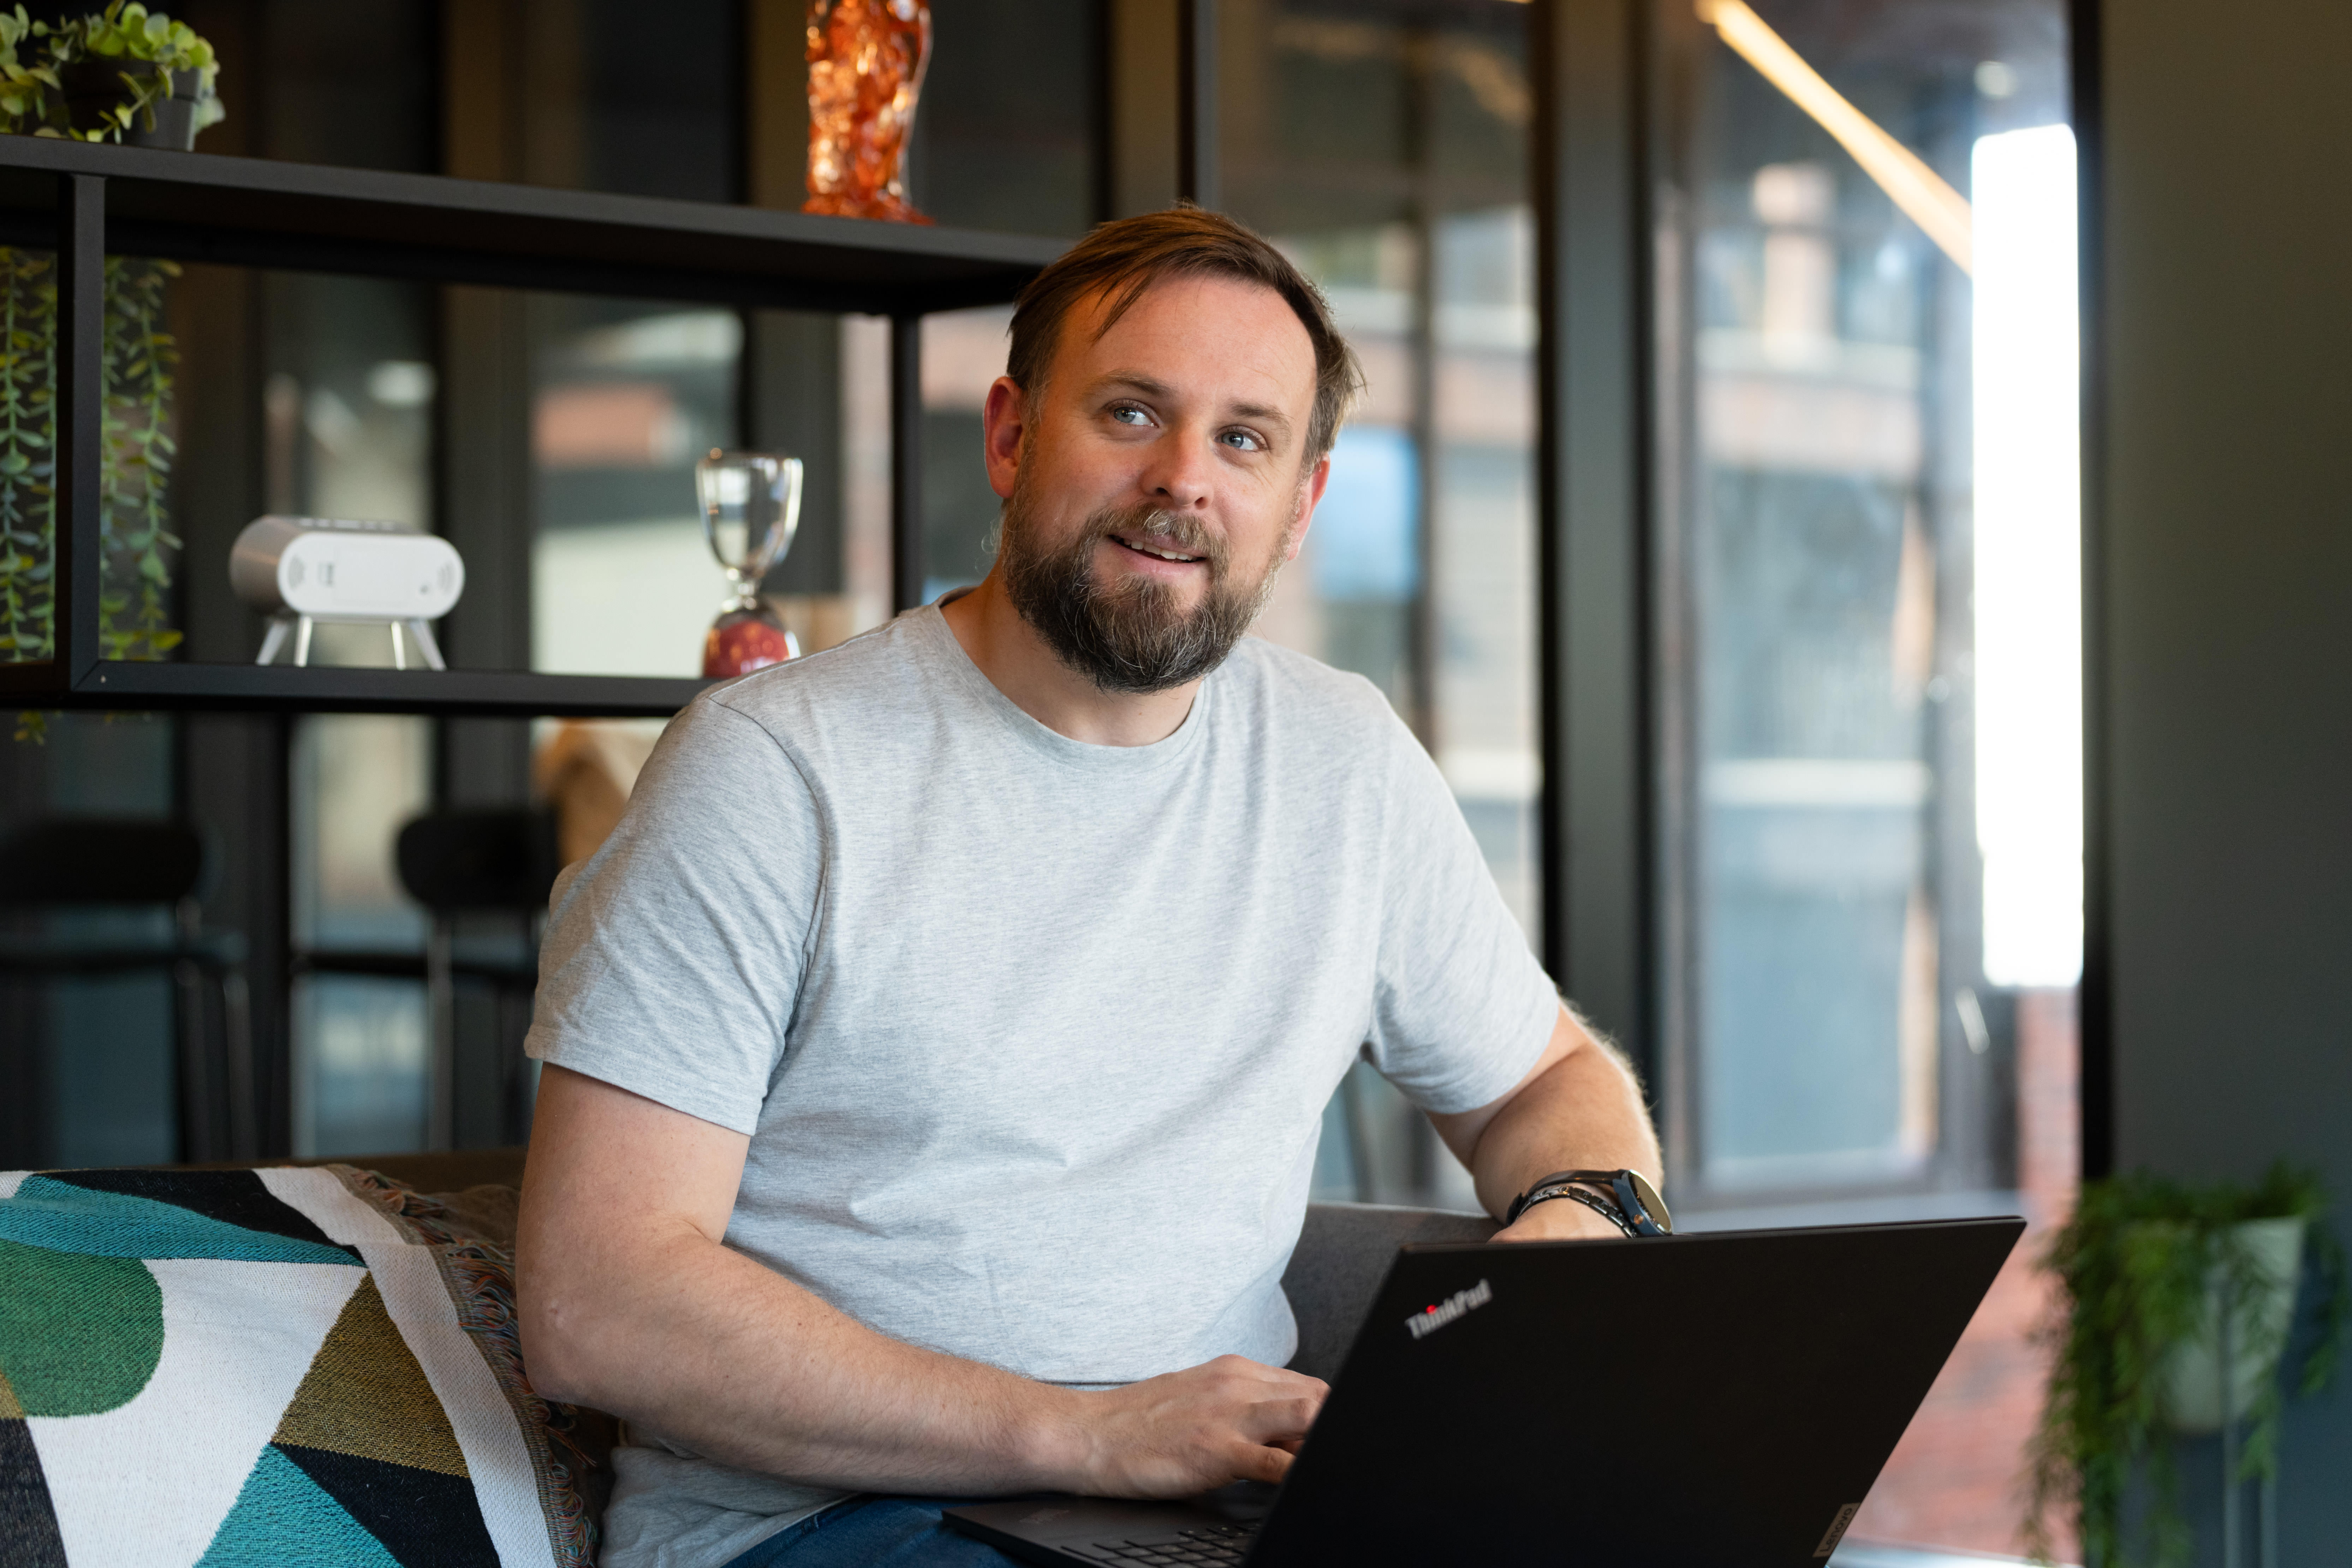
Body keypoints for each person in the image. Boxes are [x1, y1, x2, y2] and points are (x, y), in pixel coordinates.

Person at [516, 206, 1662, 1568]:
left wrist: (1579, 1225)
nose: (1184, 479)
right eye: (1131, 412)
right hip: (839, 1521)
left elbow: (1544, 1083)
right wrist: (1086, 1430)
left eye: (1244, 438)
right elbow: (598, 1297)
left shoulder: (1343, 761)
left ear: (1299, 503)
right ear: (1011, 435)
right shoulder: (776, 772)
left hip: (1222, 1517)